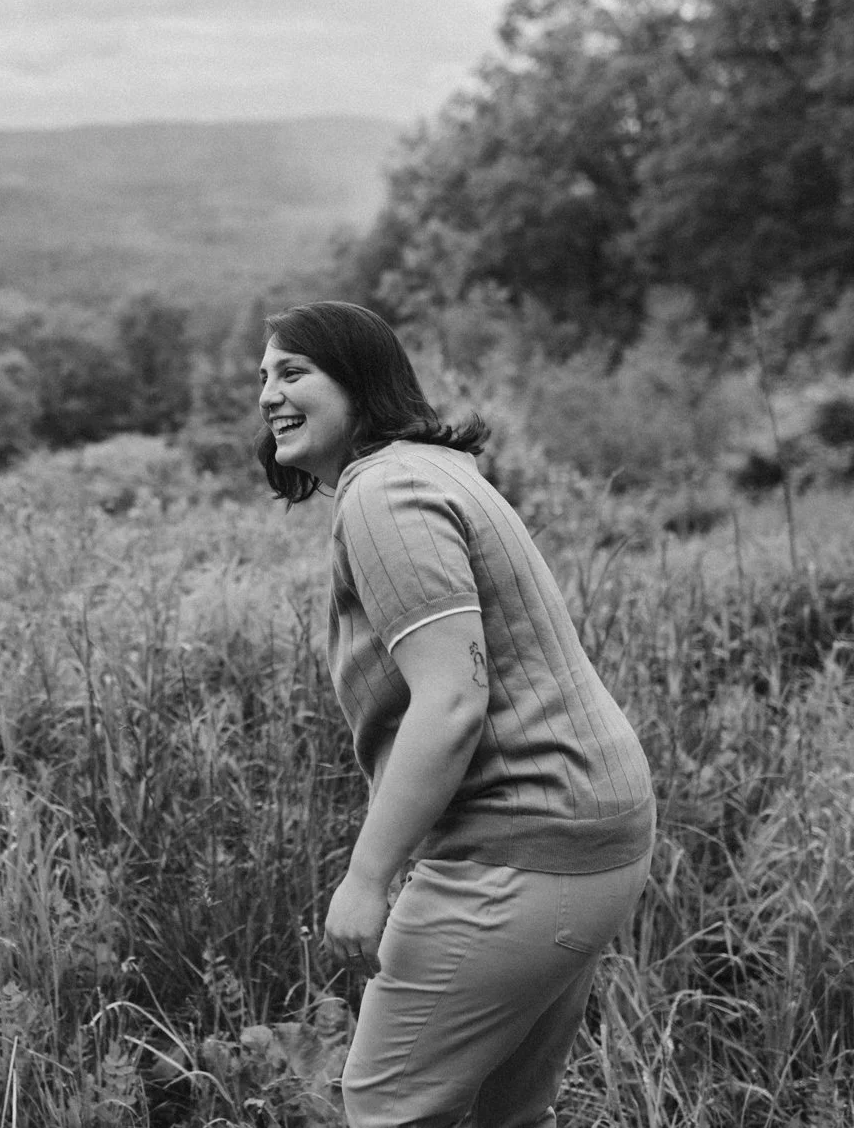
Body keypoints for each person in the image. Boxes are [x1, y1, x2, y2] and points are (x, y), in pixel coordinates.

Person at [255, 301, 655, 1128]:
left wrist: (366, 880)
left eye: (292, 372)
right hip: (591, 832)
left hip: (525, 843)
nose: (267, 393)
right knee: (503, 1112)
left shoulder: (384, 492)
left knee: (389, 1107)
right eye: (262, 377)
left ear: (359, 383)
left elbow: (452, 700)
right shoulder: (435, 469)